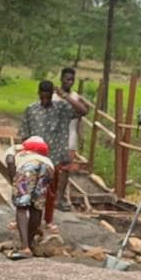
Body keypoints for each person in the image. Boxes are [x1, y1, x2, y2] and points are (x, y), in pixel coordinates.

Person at [18, 80, 88, 232]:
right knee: (27, 190)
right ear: (38, 94)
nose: (44, 100)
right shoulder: (31, 109)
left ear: (52, 95)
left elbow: (83, 111)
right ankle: (25, 220)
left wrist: (65, 97)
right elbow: (24, 134)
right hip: (33, 159)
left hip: (53, 159)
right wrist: (24, 154)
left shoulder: (61, 108)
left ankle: (48, 220)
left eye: (48, 98)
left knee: (50, 192)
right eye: (42, 97)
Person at [6, 137, 55, 259]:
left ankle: (25, 248)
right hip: (49, 168)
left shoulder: (16, 151)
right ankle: (28, 243)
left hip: (28, 168)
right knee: (36, 206)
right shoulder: (46, 158)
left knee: (21, 207)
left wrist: (14, 181)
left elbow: (10, 161)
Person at [52, 67, 91, 211]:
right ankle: (49, 196)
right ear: (61, 79)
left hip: (70, 137)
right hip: (54, 137)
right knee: (52, 168)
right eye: (67, 79)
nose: (70, 82)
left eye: (72, 80)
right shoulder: (52, 96)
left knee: (65, 170)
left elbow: (83, 112)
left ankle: (59, 199)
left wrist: (81, 135)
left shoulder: (75, 97)